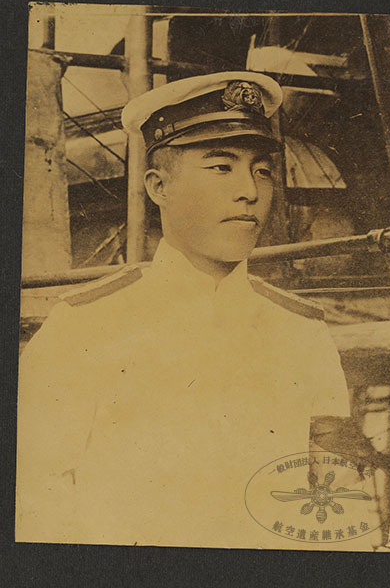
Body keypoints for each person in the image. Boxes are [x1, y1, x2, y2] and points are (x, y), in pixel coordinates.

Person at [16, 71, 353, 549]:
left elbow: (333, 508)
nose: (249, 191)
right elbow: (34, 506)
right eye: (221, 167)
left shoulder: (302, 331)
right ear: (158, 187)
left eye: (262, 170)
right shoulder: (83, 326)